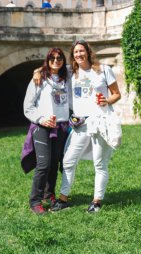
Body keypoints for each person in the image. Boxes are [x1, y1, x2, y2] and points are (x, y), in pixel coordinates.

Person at [50, 40, 121, 213]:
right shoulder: (69, 72)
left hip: (100, 122)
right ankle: (63, 199)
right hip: (79, 123)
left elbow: (116, 94)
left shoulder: (104, 70)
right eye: (75, 52)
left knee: (99, 163)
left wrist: (107, 100)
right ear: (72, 55)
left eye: (81, 51)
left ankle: (96, 201)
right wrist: (37, 72)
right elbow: (49, 69)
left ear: (88, 52)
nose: (79, 54)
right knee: (68, 161)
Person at [21, 48, 70, 214]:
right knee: (43, 164)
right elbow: (28, 107)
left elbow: (80, 67)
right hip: (42, 127)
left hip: (61, 126)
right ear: (47, 60)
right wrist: (42, 119)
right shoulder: (39, 78)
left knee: (54, 163)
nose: (56, 61)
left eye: (59, 58)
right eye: (52, 58)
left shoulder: (66, 77)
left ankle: (49, 195)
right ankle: (35, 200)